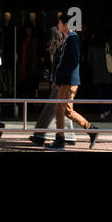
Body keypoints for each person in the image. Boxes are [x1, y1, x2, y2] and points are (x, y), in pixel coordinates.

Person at [47, 13, 99, 150]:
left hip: (68, 81)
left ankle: (60, 141)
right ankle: (91, 129)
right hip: (66, 80)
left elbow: (72, 61)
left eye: (59, 23)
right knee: (67, 111)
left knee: (59, 109)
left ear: (65, 25)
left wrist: (60, 78)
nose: (58, 26)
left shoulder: (73, 39)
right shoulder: (69, 38)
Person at [28, 12, 65, 147]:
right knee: (56, 109)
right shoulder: (55, 48)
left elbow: (58, 68)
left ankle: (40, 135)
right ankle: (40, 135)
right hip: (57, 82)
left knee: (55, 109)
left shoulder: (59, 49)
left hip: (59, 83)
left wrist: (54, 81)